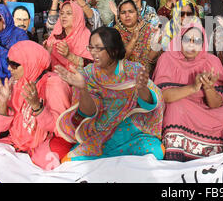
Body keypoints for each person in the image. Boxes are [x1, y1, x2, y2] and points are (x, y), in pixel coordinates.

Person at [55, 27, 165, 162]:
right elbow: (87, 113)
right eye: (91, 47)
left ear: (114, 50)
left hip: (130, 133)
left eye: (98, 48)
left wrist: (142, 88)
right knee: (68, 161)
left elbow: (150, 105)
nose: (93, 53)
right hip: (100, 136)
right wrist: (83, 88)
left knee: (157, 151)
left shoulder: (133, 70)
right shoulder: (87, 74)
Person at [152, 22, 223, 161]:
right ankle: (177, 156)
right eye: (187, 40)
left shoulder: (212, 61)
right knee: (176, 107)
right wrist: (193, 88)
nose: (191, 45)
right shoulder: (167, 58)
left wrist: (208, 87)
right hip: (181, 106)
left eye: (197, 41)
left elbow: (216, 104)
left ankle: (214, 157)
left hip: (206, 109)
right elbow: (162, 96)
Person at [0, 40, 73, 170]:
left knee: (43, 166)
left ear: (30, 63)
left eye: (14, 64)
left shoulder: (54, 84)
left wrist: (37, 107)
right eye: (8, 62)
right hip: (16, 142)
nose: (8, 68)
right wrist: (2, 101)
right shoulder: (15, 83)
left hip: (44, 144)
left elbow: (61, 128)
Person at [114, 0, 160, 75]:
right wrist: (133, 39)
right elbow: (119, 61)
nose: (127, 15)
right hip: (124, 77)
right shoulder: (114, 33)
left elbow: (151, 60)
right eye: (123, 13)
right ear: (119, 15)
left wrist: (157, 42)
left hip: (147, 75)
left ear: (137, 13)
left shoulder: (149, 29)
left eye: (131, 12)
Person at [45, 0, 93, 69]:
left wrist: (69, 55)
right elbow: (47, 66)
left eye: (69, 13)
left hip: (78, 77)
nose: (64, 16)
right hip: (55, 75)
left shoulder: (86, 36)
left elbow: (92, 65)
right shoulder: (56, 36)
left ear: (77, 16)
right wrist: (46, 54)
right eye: (61, 13)